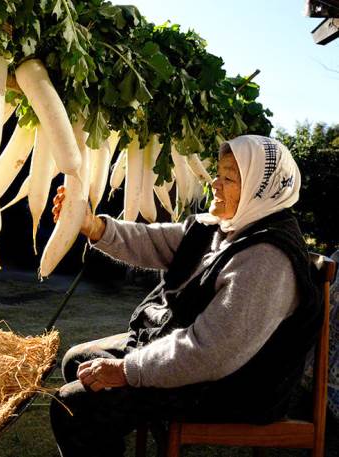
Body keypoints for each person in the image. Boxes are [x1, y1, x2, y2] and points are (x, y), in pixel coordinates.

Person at [48, 135, 323, 457]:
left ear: (258, 189)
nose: (215, 185)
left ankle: (102, 425)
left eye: (229, 178)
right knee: (77, 360)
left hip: (232, 387)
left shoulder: (266, 259)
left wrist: (126, 370)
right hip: (202, 363)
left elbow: (211, 351)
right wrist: (93, 226)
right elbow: (155, 241)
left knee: (72, 405)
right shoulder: (225, 227)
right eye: (218, 174)